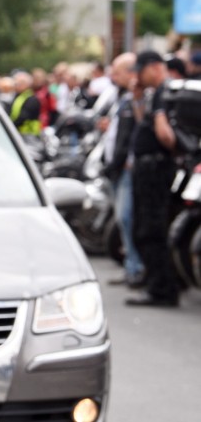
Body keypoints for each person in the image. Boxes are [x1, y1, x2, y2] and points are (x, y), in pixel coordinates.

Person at [125, 50, 180, 307]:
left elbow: (166, 138)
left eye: (141, 69)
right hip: (147, 169)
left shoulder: (164, 93)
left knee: (150, 228)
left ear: (155, 67)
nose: (138, 75)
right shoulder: (155, 94)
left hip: (154, 169)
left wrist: (158, 114)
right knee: (143, 227)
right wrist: (138, 100)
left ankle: (162, 288)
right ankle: (157, 283)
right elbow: (141, 127)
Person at [100, 53, 144, 288]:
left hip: (126, 169)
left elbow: (141, 130)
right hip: (116, 168)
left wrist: (129, 159)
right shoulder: (122, 98)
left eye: (116, 72)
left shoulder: (138, 98)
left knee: (127, 218)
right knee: (123, 219)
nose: (112, 77)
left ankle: (136, 268)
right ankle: (131, 266)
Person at [10, 71, 42, 135]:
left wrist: (10, 126)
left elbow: (23, 117)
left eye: (17, 84)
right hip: (19, 133)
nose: (15, 86)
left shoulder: (31, 99)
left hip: (29, 134)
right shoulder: (19, 96)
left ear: (25, 84)